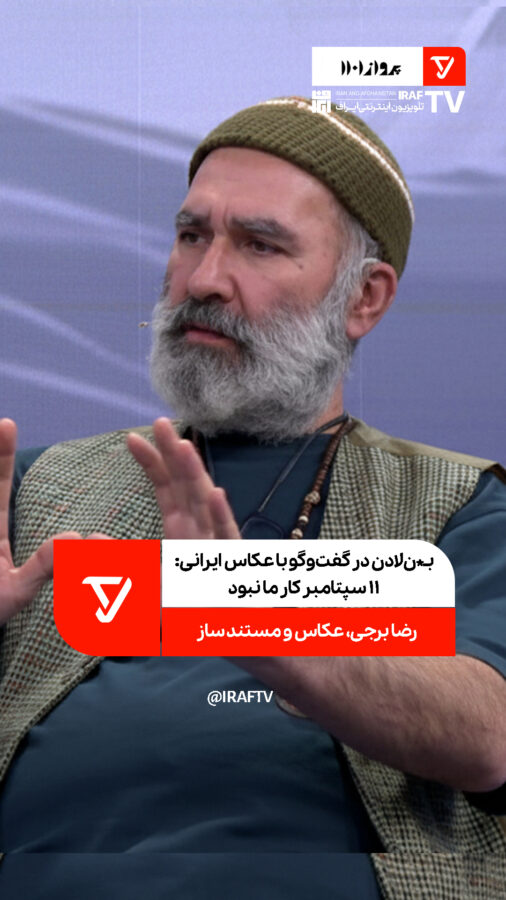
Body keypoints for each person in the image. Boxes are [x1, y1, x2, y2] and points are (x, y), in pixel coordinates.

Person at [1, 97, 505, 898]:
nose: (204, 280)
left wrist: (250, 617)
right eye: (191, 235)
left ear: (364, 298)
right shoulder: (37, 490)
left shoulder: (462, 505)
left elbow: (489, 734)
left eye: (261, 245)